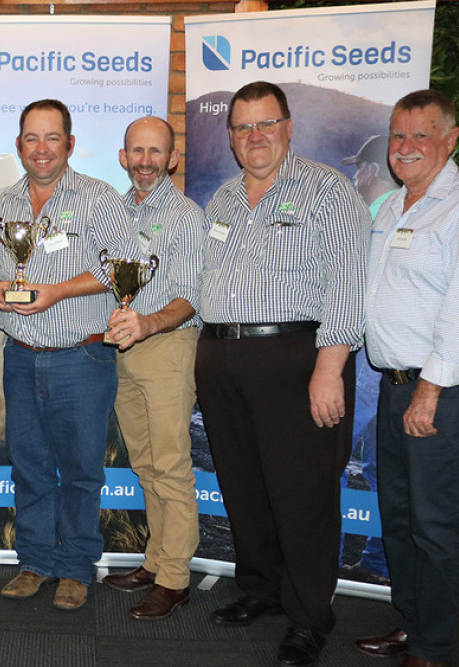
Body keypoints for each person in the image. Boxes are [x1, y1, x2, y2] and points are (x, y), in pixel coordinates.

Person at [195, 81, 367, 666]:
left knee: (302, 495)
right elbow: (201, 285)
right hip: (222, 356)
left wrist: (329, 368)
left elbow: (348, 287)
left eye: (266, 124)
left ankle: (309, 615)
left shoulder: (327, 191)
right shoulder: (220, 201)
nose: (255, 136)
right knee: (243, 486)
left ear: (288, 127)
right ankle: (261, 588)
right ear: (232, 137)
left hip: (296, 359)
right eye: (243, 127)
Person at [0, 99, 137, 611]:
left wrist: (55, 291)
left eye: (53, 138)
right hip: (20, 356)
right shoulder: (2, 204)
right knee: (29, 466)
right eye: (32, 138)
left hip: (81, 357)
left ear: (70, 144)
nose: (42, 148)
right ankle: (33, 561)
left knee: (79, 470)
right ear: (19, 145)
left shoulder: (99, 198)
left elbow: (123, 267)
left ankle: (75, 567)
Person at [355, 89, 459, 667]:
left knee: (435, 526)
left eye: (421, 135)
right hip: (392, 387)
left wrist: (430, 390)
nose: (407, 147)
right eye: (398, 136)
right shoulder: (392, 207)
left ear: (450, 138)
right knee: (398, 518)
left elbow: (458, 309)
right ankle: (412, 622)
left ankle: (436, 646)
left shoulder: (456, 206)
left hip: (436, 395)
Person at [101, 116, 203, 620]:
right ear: (123, 157)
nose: (145, 161)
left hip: (167, 347)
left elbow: (190, 297)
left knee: (170, 465)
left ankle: (176, 579)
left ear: (172, 158)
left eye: (155, 152)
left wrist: (147, 325)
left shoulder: (186, 216)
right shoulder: (113, 212)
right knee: (144, 465)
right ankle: (155, 559)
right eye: (136, 152)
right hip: (122, 351)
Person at [338, 134, 397, 587]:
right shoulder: (398, 210)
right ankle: (379, 561)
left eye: (359, 167)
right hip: (384, 360)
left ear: (370, 172)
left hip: (364, 358)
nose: (355, 176)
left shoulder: (378, 215)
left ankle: (329, 556)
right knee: (381, 467)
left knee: (327, 458)